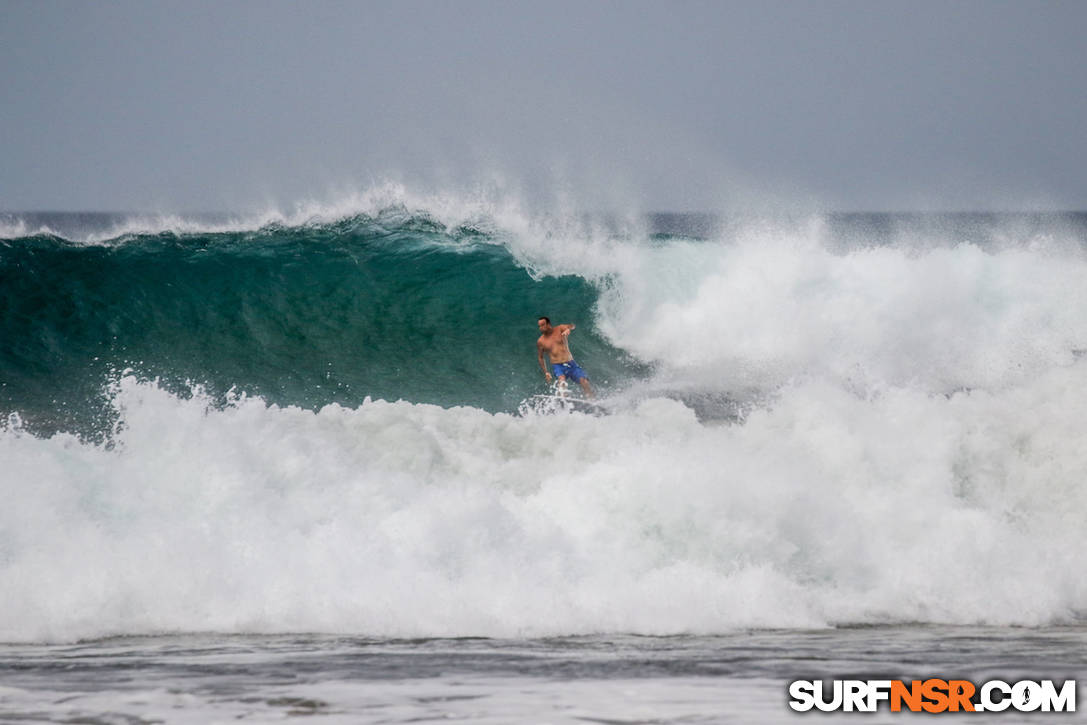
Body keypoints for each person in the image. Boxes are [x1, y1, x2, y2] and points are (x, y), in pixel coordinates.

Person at [536, 316, 594, 398]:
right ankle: (563, 400)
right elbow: (540, 357)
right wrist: (546, 372)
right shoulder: (541, 341)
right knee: (561, 380)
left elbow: (572, 325)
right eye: (539, 326)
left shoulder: (559, 328)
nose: (541, 328)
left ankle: (591, 399)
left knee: (584, 381)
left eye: (543, 325)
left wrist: (568, 329)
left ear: (548, 324)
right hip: (558, 366)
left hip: (571, 363)